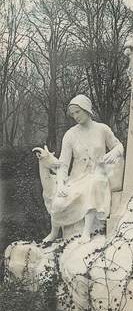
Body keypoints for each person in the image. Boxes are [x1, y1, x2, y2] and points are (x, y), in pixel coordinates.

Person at [34, 95, 124, 244]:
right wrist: (61, 184)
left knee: (93, 185)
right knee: (58, 202)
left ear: (86, 110)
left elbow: (119, 146)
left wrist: (114, 152)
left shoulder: (102, 129)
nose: (75, 116)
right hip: (76, 177)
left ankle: (86, 232)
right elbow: (63, 164)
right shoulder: (70, 134)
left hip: (98, 173)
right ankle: (54, 232)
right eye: (73, 113)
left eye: (78, 112)